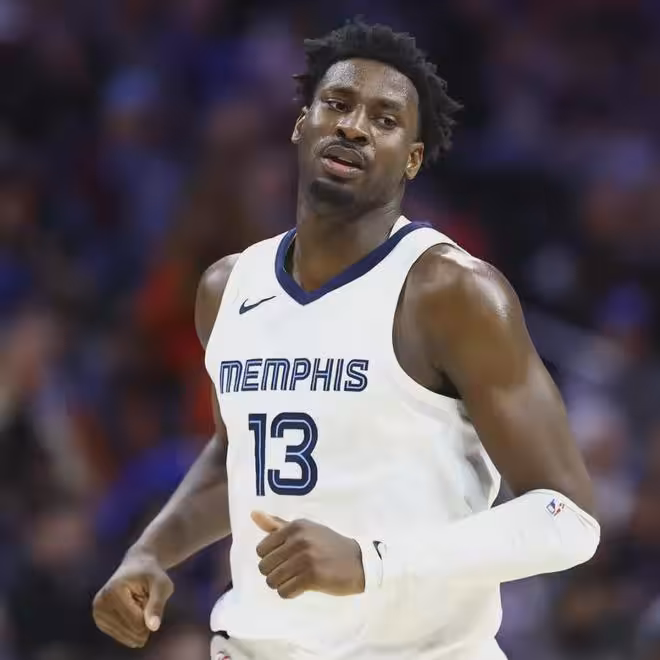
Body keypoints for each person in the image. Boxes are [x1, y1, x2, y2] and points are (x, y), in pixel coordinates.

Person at [92, 19, 601, 660]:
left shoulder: (450, 292)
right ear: (300, 124)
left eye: (385, 120)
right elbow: (236, 459)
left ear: (412, 159)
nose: (354, 127)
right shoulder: (228, 287)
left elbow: (567, 520)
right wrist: (150, 552)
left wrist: (371, 562)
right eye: (337, 104)